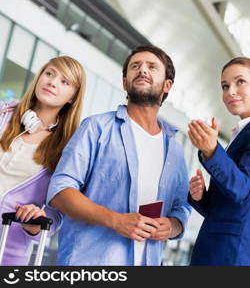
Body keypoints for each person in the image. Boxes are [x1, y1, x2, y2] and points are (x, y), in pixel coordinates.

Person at [47, 45, 191, 266]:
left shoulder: (175, 150)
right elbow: (60, 191)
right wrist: (115, 220)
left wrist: (172, 225)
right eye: (135, 66)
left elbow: (181, 206)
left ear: (167, 85)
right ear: (125, 82)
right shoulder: (95, 128)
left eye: (152, 67)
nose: (142, 70)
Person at [187, 57, 250, 265]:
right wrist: (201, 198)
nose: (230, 91)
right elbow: (228, 206)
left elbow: (243, 188)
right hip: (219, 250)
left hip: (236, 254)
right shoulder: (243, 133)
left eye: (240, 81)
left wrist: (212, 150)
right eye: (225, 86)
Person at [0, 56, 86, 265]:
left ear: (73, 97)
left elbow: (57, 212)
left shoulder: (68, 149)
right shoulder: (2, 115)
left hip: (8, 251)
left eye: (65, 82)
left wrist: (37, 220)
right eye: (49, 74)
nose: (52, 82)